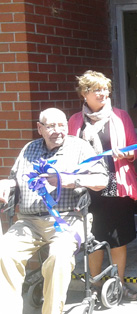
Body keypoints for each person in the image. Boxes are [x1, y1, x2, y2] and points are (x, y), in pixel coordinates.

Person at [0, 108, 108, 314]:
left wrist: (72, 180)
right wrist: (7, 183)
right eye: (50, 126)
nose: (57, 130)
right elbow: (16, 178)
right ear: (40, 129)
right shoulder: (29, 149)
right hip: (28, 222)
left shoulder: (80, 147)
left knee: (58, 257)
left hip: (67, 219)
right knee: (4, 253)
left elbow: (102, 179)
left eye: (61, 125)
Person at [68, 70, 137, 300]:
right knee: (94, 240)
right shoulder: (75, 121)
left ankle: (118, 285)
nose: (103, 93)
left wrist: (126, 154)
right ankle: (96, 286)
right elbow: (67, 154)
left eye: (105, 89)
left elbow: (135, 150)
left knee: (118, 239)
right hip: (88, 190)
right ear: (84, 94)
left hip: (116, 187)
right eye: (96, 89)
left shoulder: (120, 116)